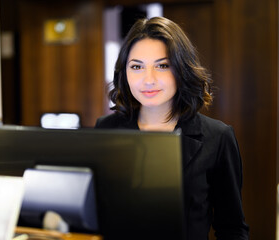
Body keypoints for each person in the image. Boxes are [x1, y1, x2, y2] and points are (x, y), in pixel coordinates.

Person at [95, 16, 249, 240]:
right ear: (124, 72)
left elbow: (232, 228)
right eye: (137, 66)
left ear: (181, 69)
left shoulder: (217, 137)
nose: (148, 79)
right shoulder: (105, 130)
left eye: (163, 66)